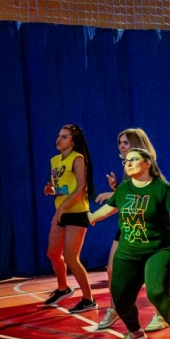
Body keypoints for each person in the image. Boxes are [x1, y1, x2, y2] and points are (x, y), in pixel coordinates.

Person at [86, 147, 170, 339]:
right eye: (126, 161)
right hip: (128, 252)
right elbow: (107, 210)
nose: (128, 163)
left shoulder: (165, 189)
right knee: (120, 297)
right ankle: (135, 332)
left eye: (134, 159)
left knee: (157, 293)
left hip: (160, 250)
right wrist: (89, 216)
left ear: (147, 163)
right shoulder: (124, 189)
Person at [91, 128, 160, 328]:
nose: (121, 146)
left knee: (150, 275)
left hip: (146, 227)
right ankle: (116, 309)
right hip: (127, 225)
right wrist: (116, 190)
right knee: (112, 270)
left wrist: (113, 197)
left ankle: (161, 313)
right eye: (120, 142)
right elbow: (127, 196)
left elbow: (143, 197)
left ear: (137, 145)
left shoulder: (148, 168)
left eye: (125, 142)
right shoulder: (128, 169)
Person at [43, 123, 98, 314]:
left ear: (73, 141)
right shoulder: (55, 160)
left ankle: (88, 299)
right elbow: (66, 188)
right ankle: (63, 288)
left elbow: (81, 188)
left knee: (71, 257)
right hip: (62, 211)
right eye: (59, 135)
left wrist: (63, 208)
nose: (59, 139)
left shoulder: (77, 158)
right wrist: (52, 190)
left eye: (64, 136)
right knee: (52, 253)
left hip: (76, 213)